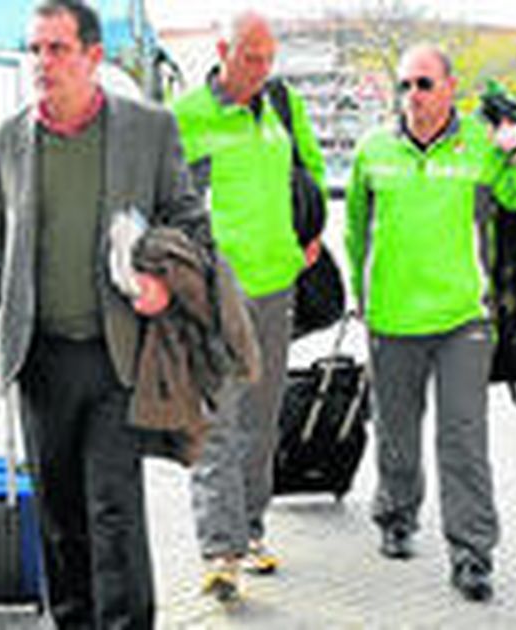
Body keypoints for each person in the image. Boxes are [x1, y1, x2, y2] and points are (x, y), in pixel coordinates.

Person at [0, 1, 207, 627]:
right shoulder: (6, 142)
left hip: (117, 354)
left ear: (93, 56)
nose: (42, 63)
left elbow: (190, 223)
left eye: (57, 49)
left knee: (113, 508)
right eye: (35, 50)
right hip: (41, 358)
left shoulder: (148, 129)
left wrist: (163, 283)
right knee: (58, 511)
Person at [345, 44, 516, 602]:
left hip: (463, 318)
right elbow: (356, 232)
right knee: (396, 431)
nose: (412, 96)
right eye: (404, 85)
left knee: (462, 438)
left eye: (423, 84)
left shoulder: (481, 151)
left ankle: (472, 554)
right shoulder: (372, 151)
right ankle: (395, 515)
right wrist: (360, 297)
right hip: (391, 317)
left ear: (450, 88)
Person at [169, 10, 324, 602]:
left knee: (261, 419)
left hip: (276, 285)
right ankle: (219, 551)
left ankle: (251, 531)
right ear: (221, 50)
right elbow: (161, 199)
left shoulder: (281, 106)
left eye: (267, 58)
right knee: (216, 421)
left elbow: (307, 168)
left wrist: (307, 234)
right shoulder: (185, 115)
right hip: (213, 293)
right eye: (249, 57)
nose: (260, 69)